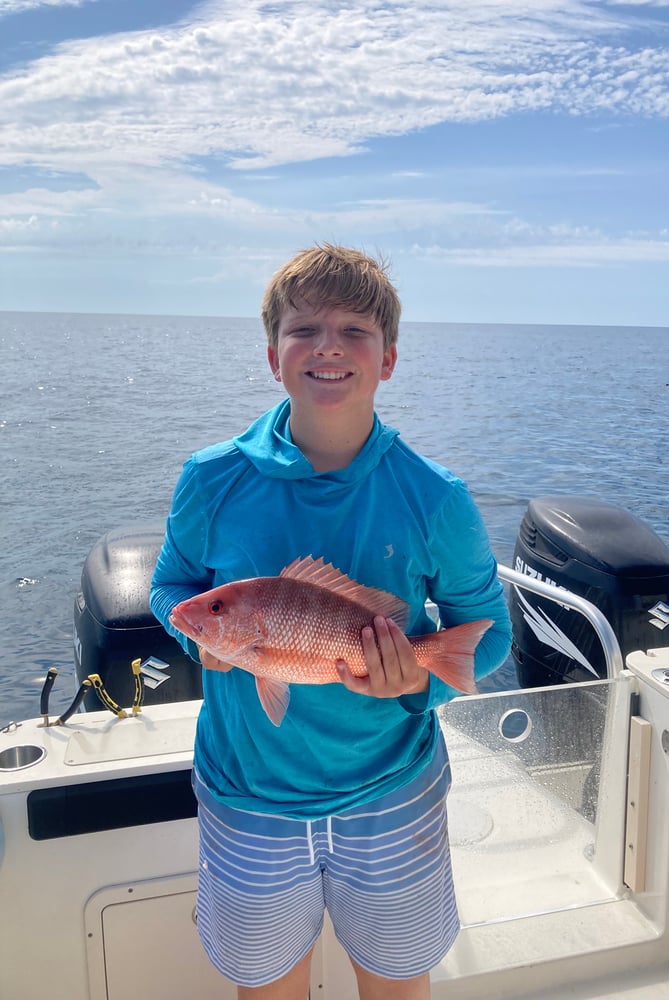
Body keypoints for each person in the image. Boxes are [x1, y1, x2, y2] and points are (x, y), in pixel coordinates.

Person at [150, 244, 512, 1000]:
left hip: (393, 796)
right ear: (272, 355)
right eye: (304, 328)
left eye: (355, 330)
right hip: (249, 799)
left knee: (396, 985)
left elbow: (487, 631)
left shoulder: (434, 497)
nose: (328, 346)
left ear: (388, 359)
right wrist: (200, 639)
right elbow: (172, 588)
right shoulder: (211, 477)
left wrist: (417, 683)